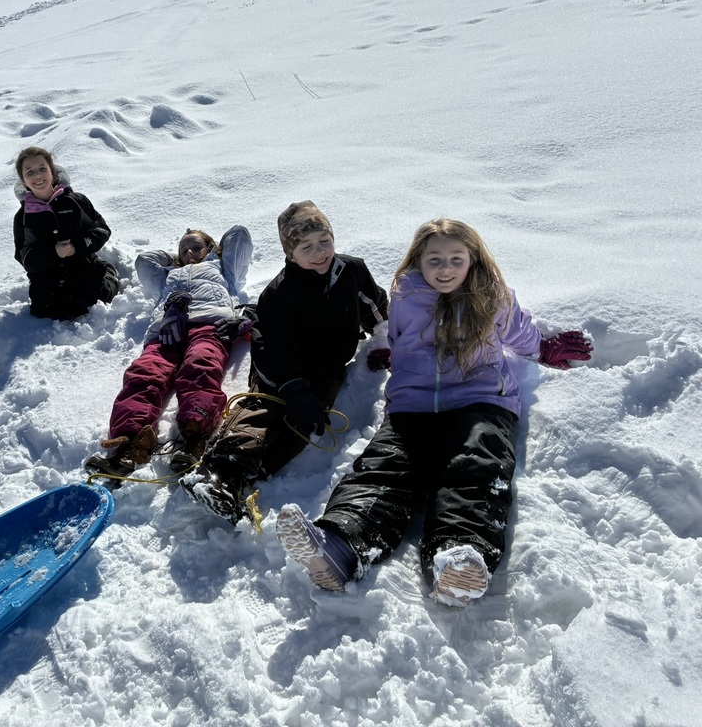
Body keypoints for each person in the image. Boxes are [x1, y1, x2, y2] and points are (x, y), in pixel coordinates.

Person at [276, 218, 593, 607]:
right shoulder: (407, 295)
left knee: (475, 465)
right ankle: (341, 545)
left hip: (482, 402)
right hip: (414, 404)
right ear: (419, 262)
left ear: (473, 260)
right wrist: (395, 357)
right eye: (435, 260)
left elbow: (519, 332)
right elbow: (401, 338)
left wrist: (543, 349)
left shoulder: (492, 295)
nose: (445, 269)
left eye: (456, 259)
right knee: (385, 465)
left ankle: (459, 555)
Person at [180, 201, 389, 525]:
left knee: (304, 424)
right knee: (265, 409)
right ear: (291, 252)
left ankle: (252, 471)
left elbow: (375, 308)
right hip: (281, 368)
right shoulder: (279, 293)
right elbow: (269, 346)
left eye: (325, 241)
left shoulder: (351, 271)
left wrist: (384, 339)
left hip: (327, 369)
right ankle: (217, 471)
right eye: (306, 246)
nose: (319, 252)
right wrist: (293, 387)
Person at [86, 224, 253, 484]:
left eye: (196, 246)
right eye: (183, 248)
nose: (189, 251)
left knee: (200, 367)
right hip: (166, 331)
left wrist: (215, 254)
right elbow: (145, 261)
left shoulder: (223, 269)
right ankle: (129, 444)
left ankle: (195, 434)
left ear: (210, 249)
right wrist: (174, 261)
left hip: (210, 324)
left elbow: (239, 235)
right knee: (143, 374)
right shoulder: (168, 276)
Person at [12, 146, 120, 320]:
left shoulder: (75, 201)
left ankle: (108, 272)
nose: (37, 175)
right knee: (44, 310)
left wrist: (75, 247)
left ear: (52, 172)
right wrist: (53, 252)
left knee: (98, 298)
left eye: (42, 169)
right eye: (30, 172)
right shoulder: (23, 216)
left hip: (82, 265)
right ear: (23, 180)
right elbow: (25, 257)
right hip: (48, 275)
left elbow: (101, 230)